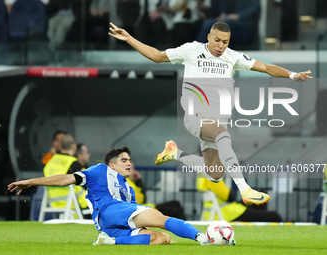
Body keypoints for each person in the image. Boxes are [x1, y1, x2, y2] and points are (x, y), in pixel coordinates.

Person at [108, 21, 312, 206]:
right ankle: (245, 189)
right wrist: (129, 38)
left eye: (225, 41)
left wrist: (293, 75)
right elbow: (156, 56)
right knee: (223, 136)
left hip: (218, 120)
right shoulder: (191, 50)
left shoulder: (233, 57)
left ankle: (174, 153)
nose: (220, 46)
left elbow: (266, 67)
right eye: (217, 40)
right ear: (209, 37)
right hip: (196, 116)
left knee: (215, 174)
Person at [8, 146, 227, 246]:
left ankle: (110, 241)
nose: (129, 163)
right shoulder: (98, 170)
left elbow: (133, 211)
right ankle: (203, 238)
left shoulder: (128, 187)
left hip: (111, 226)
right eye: (123, 160)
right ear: (111, 164)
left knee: (162, 238)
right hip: (108, 210)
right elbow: (65, 179)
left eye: (129, 160)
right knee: (159, 218)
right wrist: (30, 181)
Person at [197, 175, 282, 222]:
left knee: (257, 202)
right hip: (228, 213)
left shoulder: (201, 174)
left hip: (220, 211)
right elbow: (229, 197)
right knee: (275, 216)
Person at [43, 134, 88, 210]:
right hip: (74, 205)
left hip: (53, 204)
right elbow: (88, 180)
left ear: (60, 146)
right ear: (74, 147)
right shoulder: (74, 163)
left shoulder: (51, 161)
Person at [196, 0, 261, 48]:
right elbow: (224, 7)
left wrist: (239, 16)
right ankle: (198, 50)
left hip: (245, 23)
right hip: (228, 19)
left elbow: (255, 8)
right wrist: (223, 14)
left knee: (225, 24)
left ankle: (218, 51)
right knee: (208, 23)